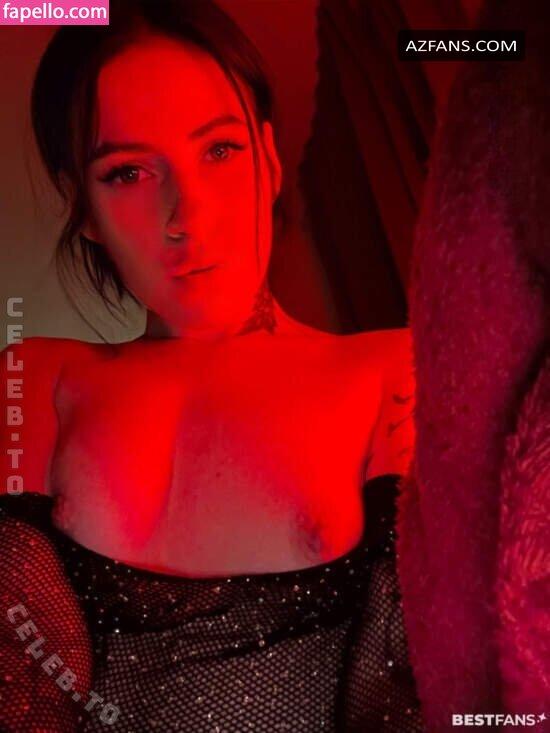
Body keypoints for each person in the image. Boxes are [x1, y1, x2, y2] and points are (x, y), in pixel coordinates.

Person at [0, 1, 422, 730]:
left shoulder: (398, 372)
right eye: (128, 172)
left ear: (269, 157)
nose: (187, 216)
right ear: (83, 208)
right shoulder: (35, 383)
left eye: (219, 150)